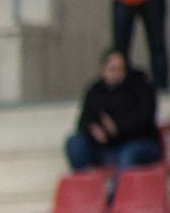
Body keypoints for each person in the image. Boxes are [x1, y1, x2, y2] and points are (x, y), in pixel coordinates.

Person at [65, 47, 163, 175]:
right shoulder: (95, 90)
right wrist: (93, 130)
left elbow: (145, 119)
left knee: (127, 155)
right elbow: (84, 119)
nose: (116, 73)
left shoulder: (140, 86)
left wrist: (118, 128)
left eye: (120, 69)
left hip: (138, 142)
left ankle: (116, 194)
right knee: (74, 142)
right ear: (103, 70)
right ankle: (85, 186)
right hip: (106, 147)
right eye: (112, 69)